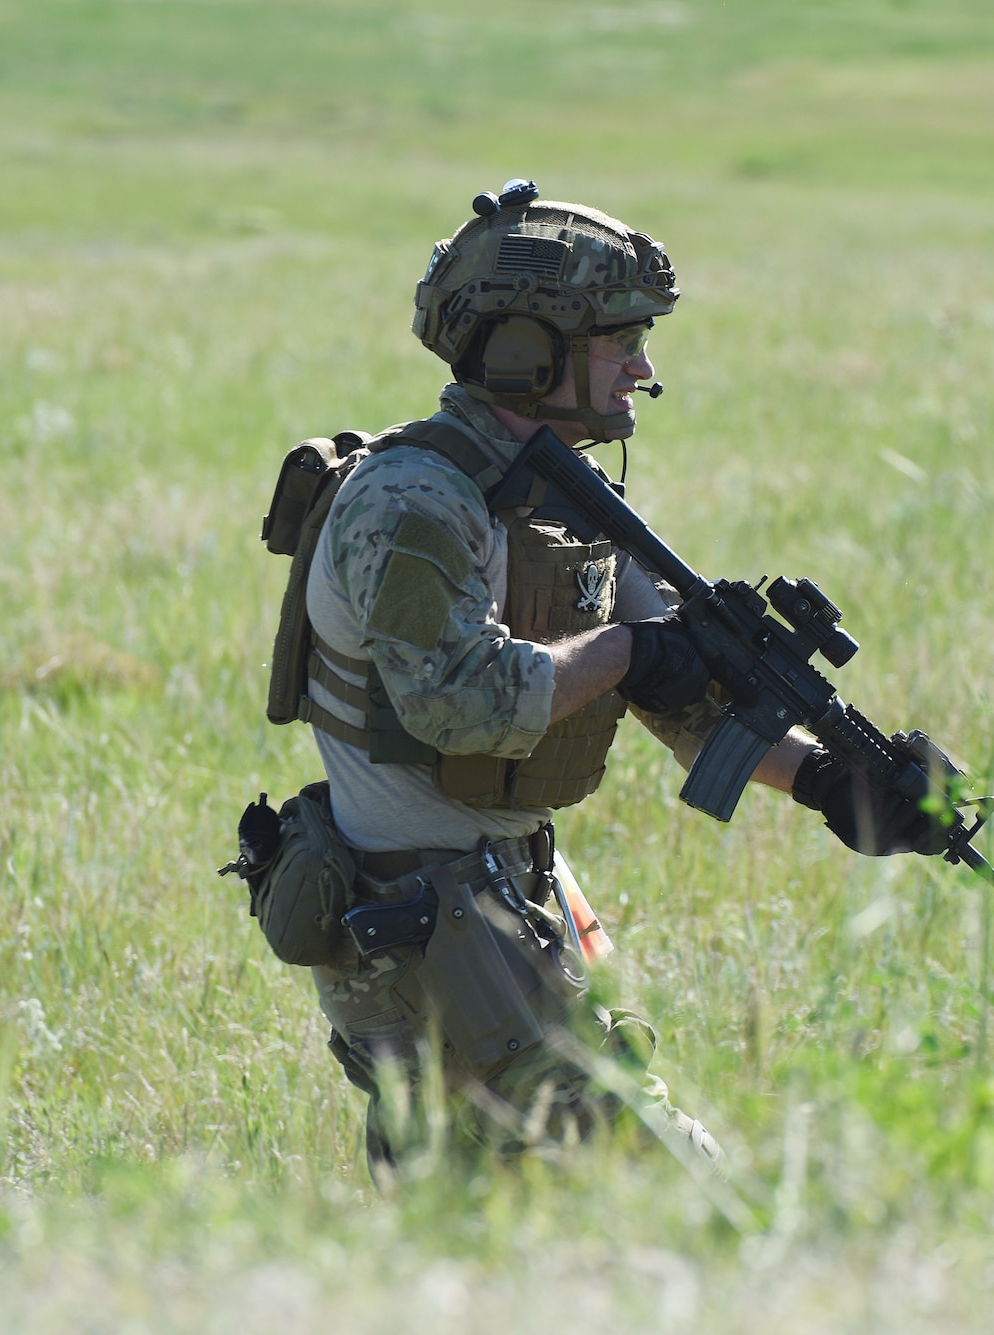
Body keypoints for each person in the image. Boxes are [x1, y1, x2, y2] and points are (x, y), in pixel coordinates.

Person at [284, 180, 939, 1174]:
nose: (643, 366)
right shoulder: (412, 504)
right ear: (523, 348)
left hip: (505, 896)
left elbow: (680, 693)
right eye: (618, 337)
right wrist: (629, 651)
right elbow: (460, 704)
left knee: (491, 1240)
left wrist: (834, 779)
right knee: (670, 1195)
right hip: (423, 916)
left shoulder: (553, 496)